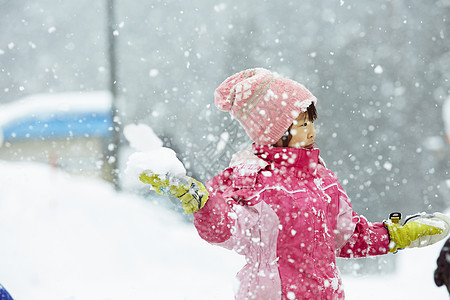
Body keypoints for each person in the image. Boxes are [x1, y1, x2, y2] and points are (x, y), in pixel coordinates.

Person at [140, 68, 450, 299]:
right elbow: (232, 227)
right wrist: (204, 205)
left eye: (311, 121)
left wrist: (397, 234)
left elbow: (346, 237)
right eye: (301, 123)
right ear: (273, 131)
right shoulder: (253, 179)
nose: (310, 130)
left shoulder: (321, 178)